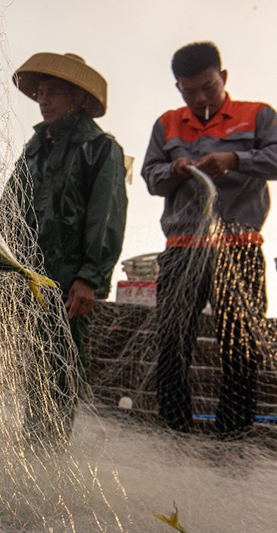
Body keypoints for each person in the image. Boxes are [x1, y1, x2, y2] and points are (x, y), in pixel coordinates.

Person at [142, 42, 277, 437]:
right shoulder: (167, 124)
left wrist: (236, 160)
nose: (200, 97)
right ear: (178, 88)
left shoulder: (258, 115)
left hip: (240, 248)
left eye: (208, 86)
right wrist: (175, 168)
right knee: (171, 343)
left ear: (224, 79)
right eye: (189, 90)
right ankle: (174, 432)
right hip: (183, 250)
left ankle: (233, 436)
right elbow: (151, 175)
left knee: (240, 348)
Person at [0, 52, 128, 436]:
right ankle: (31, 447)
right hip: (31, 278)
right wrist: (6, 268)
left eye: (53, 92)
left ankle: (48, 454)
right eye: (39, 92)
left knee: (62, 367)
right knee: (36, 365)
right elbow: (10, 210)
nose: (43, 100)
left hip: (71, 283)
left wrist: (90, 277)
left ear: (79, 100)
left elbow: (106, 216)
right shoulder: (33, 150)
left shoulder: (102, 149)